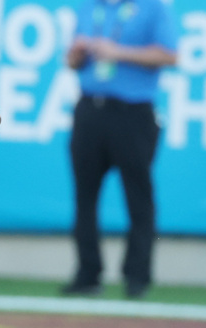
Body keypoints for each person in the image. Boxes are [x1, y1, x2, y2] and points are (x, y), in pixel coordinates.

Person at [61, 0, 177, 299]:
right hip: (90, 109)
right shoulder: (88, 7)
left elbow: (169, 54)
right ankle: (87, 274)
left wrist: (118, 52)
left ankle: (137, 276)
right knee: (84, 196)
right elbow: (73, 63)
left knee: (138, 196)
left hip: (133, 112)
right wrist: (75, 56)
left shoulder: (153, 7)